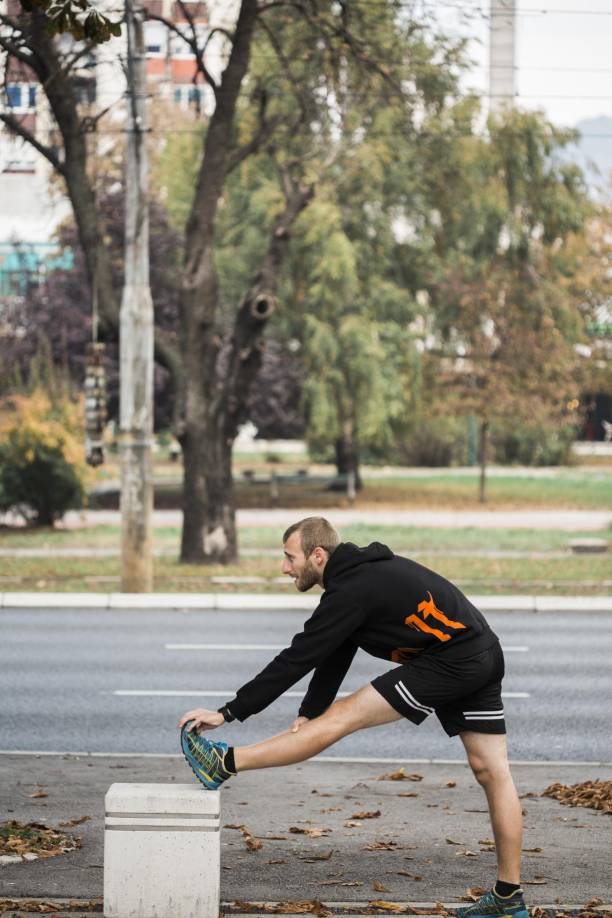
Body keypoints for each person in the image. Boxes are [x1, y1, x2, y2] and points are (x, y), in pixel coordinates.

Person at [178, 517, 527, 918]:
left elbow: (297, 657)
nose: (284, 568)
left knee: (344, 715)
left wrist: (228, 712)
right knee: (492, 770)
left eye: (290, 558)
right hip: (482, 650)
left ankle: (224, 764)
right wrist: (309, 712)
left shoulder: (351, 591)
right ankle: (508, 898)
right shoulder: (360, 578)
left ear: (318, 555)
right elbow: (335, 650)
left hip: (451, 661)